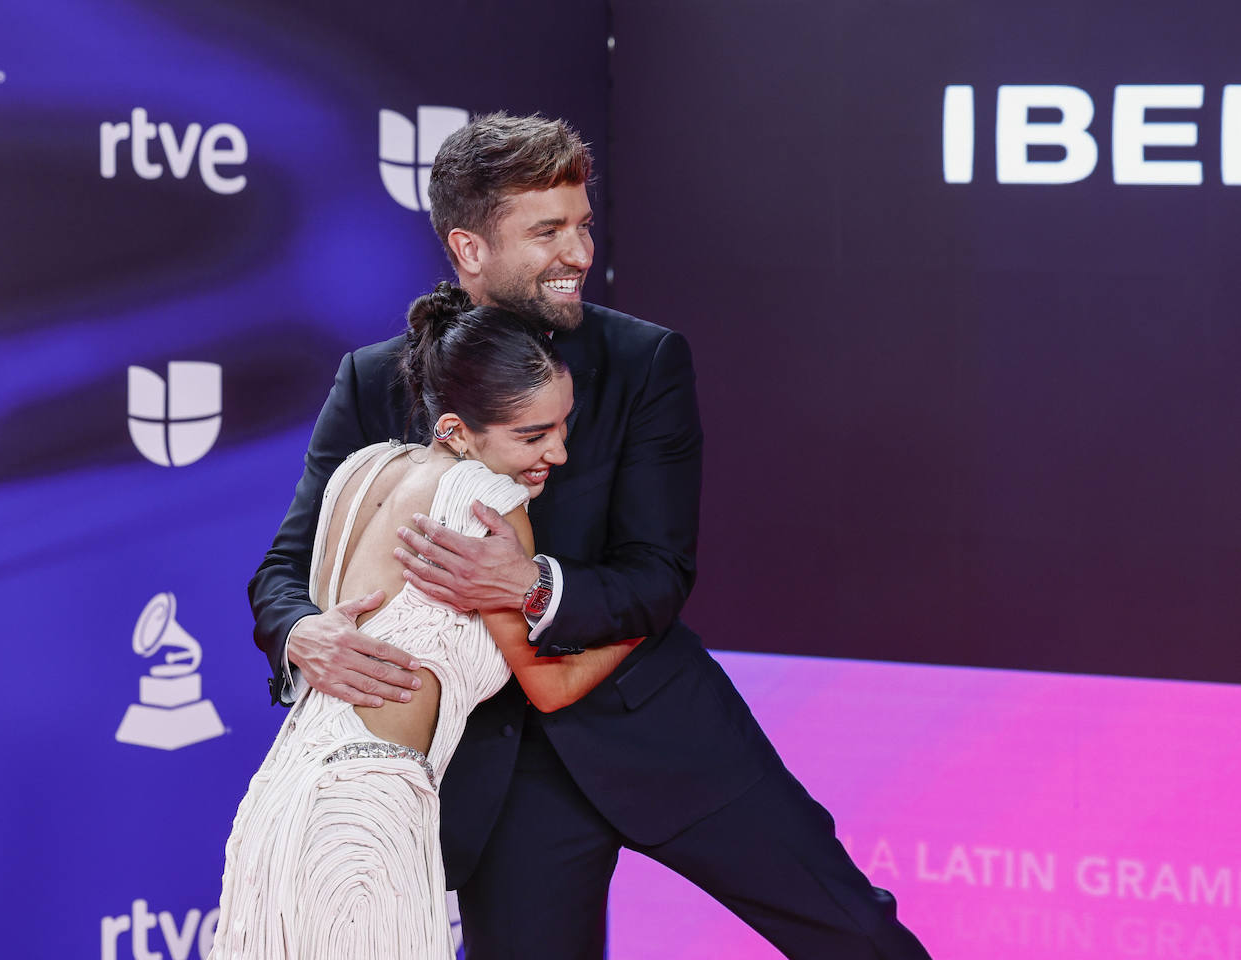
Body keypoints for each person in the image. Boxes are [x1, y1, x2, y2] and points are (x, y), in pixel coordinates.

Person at [249, 113, 931, 959]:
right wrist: (301, 631)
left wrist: (531, 587)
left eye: (583, 225)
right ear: (469, 248)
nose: (578, 252)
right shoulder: (377, 379)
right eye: (548, 232)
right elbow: (285, 567)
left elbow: (658, 574)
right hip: (497, 779)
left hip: (663, 730)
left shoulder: (647, 361)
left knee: (858, 935)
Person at [215, 284, 642, 959]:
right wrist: (642, 626)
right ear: (455, 431)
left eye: (564, 427)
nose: (557, 453)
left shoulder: (363, 468)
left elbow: (290, 576)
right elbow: (550, 687)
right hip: (366, 823)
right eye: (533, 434)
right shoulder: (491, 503)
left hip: (281, 798)